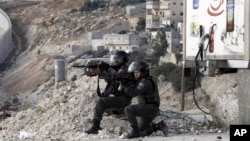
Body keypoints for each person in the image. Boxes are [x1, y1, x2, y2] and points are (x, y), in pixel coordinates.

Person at [85, 50, 134, 134]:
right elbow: (102, 76)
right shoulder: (116, 70)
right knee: (100, 103)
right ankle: (117, 111)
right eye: (114, 59)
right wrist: (91, 70)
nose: (115, 61)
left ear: (124, 60)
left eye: (117, 60)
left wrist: (101, 71)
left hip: (125, 99)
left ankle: (95, 127)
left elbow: (113, 77)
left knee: (101, 102)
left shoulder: (125, 70)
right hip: (120, 98)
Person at [121, 61, 168, 138]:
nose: (135, 74)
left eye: (137, 72)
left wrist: (123, 84)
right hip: (149, 109)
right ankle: (158, 126)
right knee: (141, 132)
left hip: (150, 108)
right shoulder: (145, 80)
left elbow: (132, 93)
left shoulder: (145, 82)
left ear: (144, 72)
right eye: (134, 72)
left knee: (128, 109)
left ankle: (134, 131)